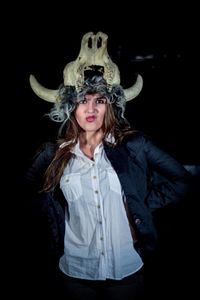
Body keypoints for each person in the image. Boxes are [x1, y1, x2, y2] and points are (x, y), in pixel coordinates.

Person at [24, 31, 192, 299]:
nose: (91, 109)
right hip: (75, 273)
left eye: (99, 100)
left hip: (127, 272)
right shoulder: (54, 153)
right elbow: (26, 193)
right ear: (71, 108)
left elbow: (182, 180)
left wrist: (140, 203)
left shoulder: (134, 146)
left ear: (110, 106)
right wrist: (53, 220)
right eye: (82, 100)